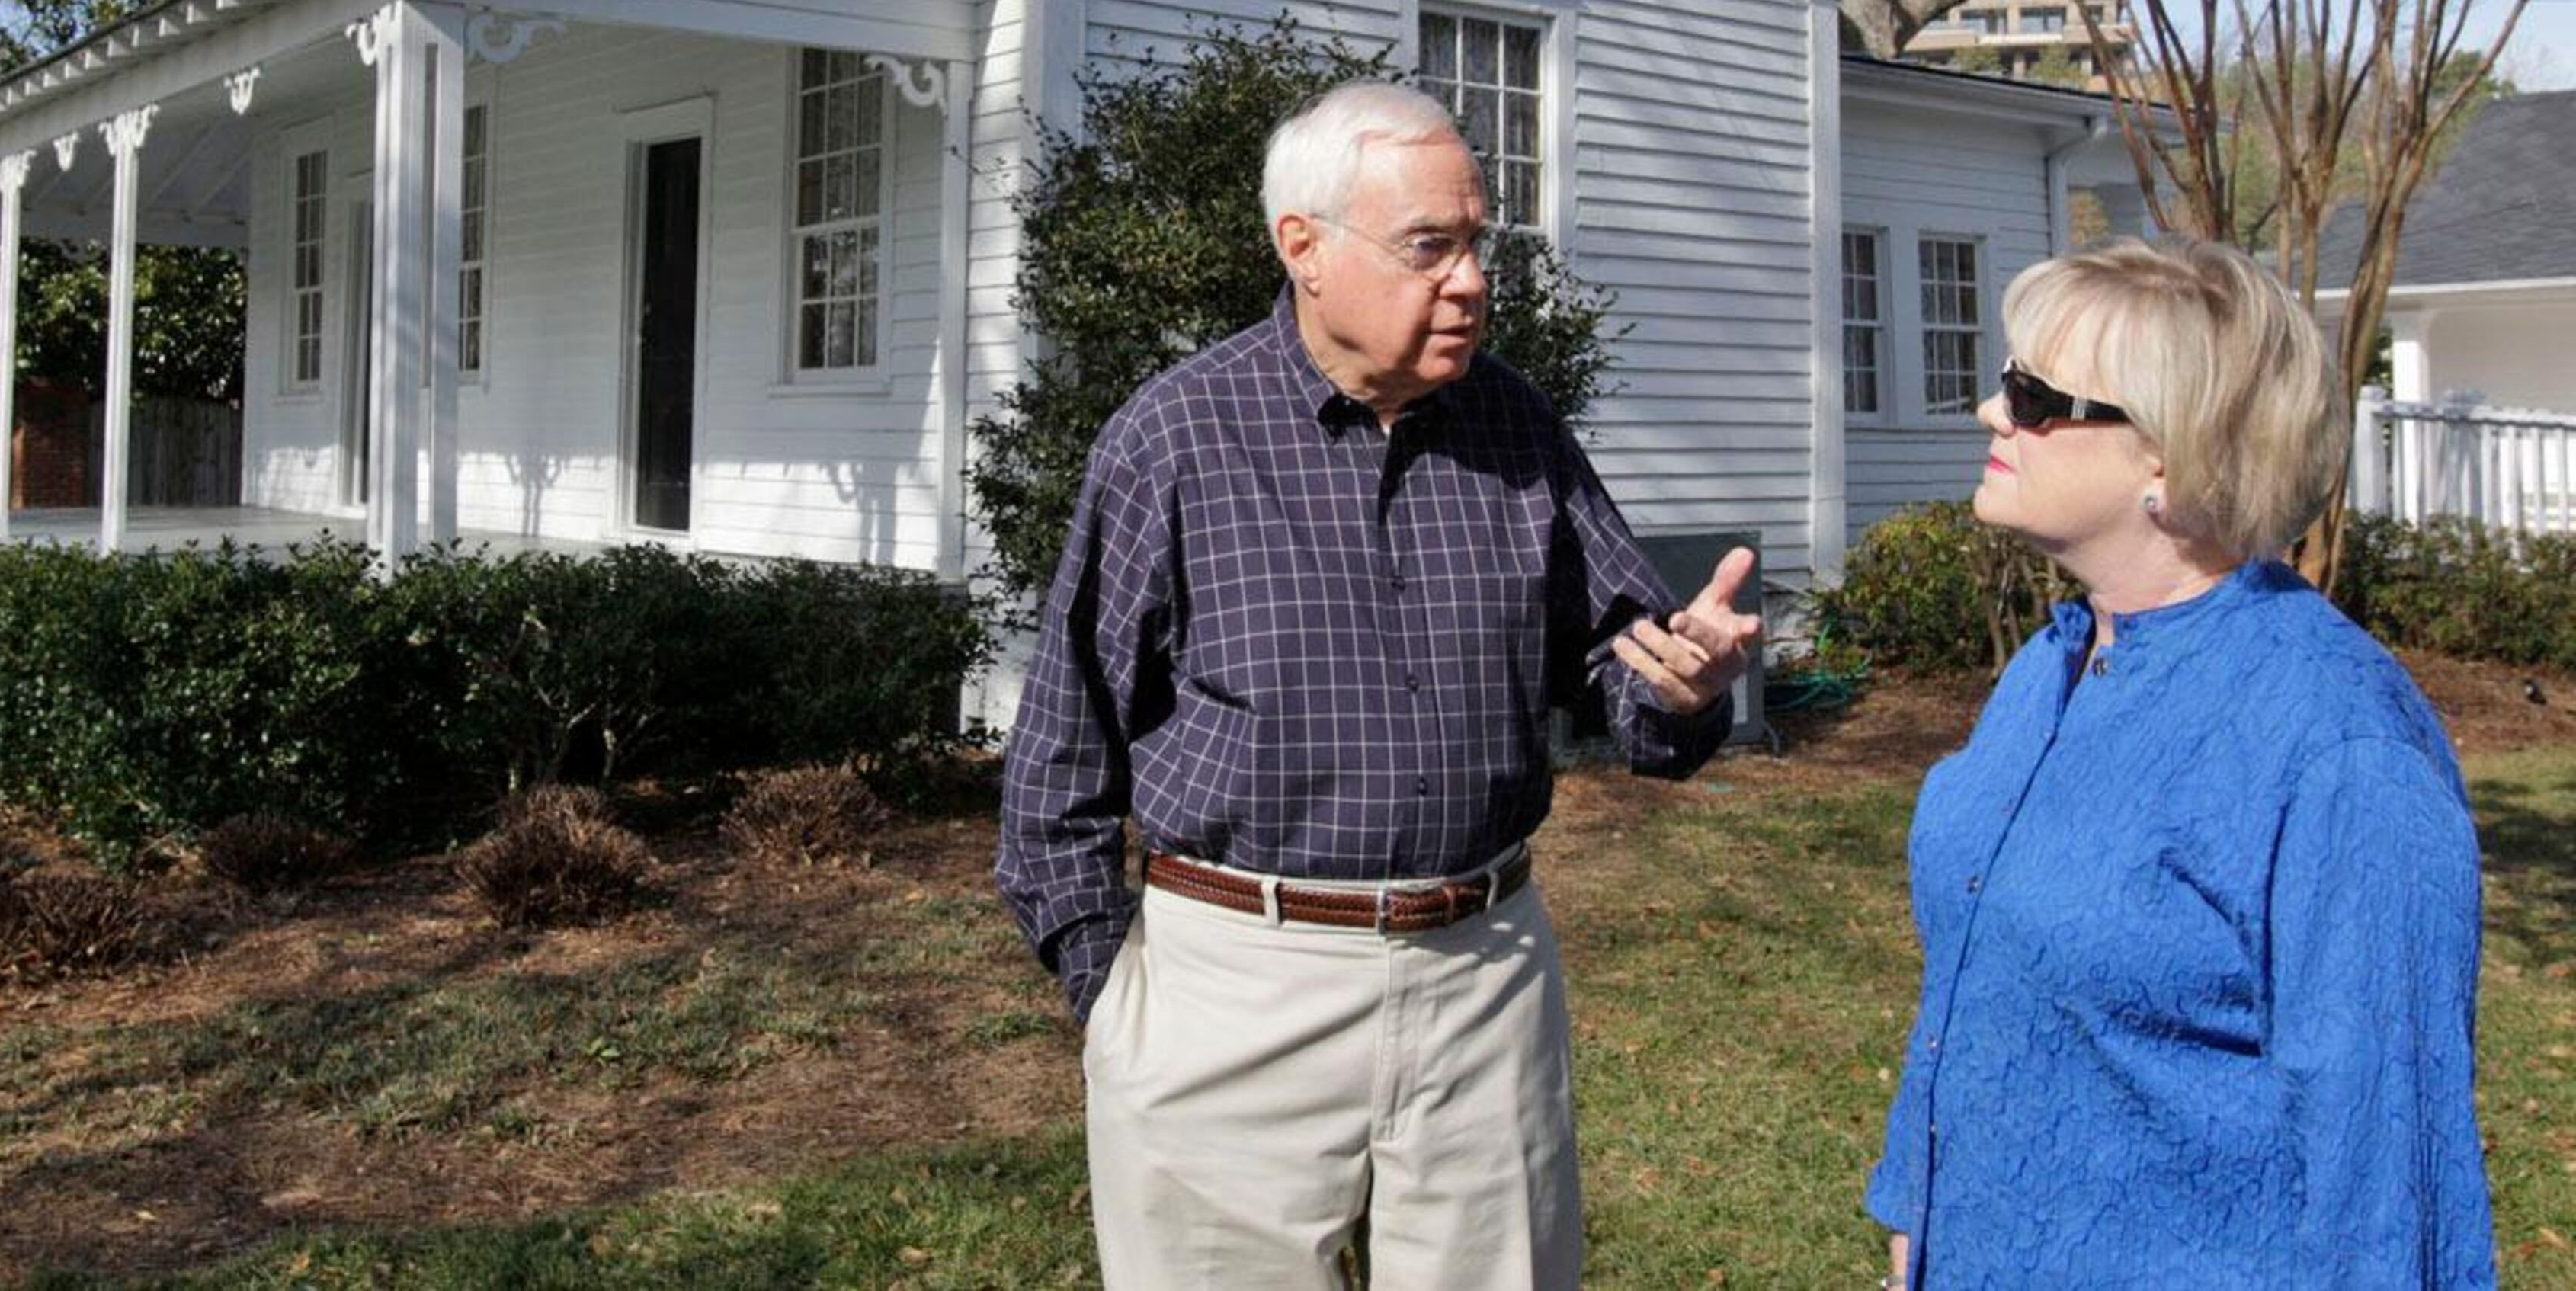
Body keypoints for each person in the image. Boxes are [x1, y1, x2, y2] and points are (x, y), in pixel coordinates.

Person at [995, 80, 1758, 1290]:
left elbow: (1624, 668)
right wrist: (1114, 997)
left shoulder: (1515, 426)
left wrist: (1679, 691)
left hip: (1483, 981)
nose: (1468, 280)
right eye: (1428, 247)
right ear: (1302, 247)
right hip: (1230, 996)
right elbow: (1061, 755)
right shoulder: (1173, 440)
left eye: (1474, 244)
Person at [1868, 237, 2494, 1289]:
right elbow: (1981, 983)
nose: (1992, 411)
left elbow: (2385, 1157)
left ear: (2171, 451)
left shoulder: (2337, 743)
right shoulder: (2050, 669)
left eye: (2034, 395)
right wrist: (1914, 1217)